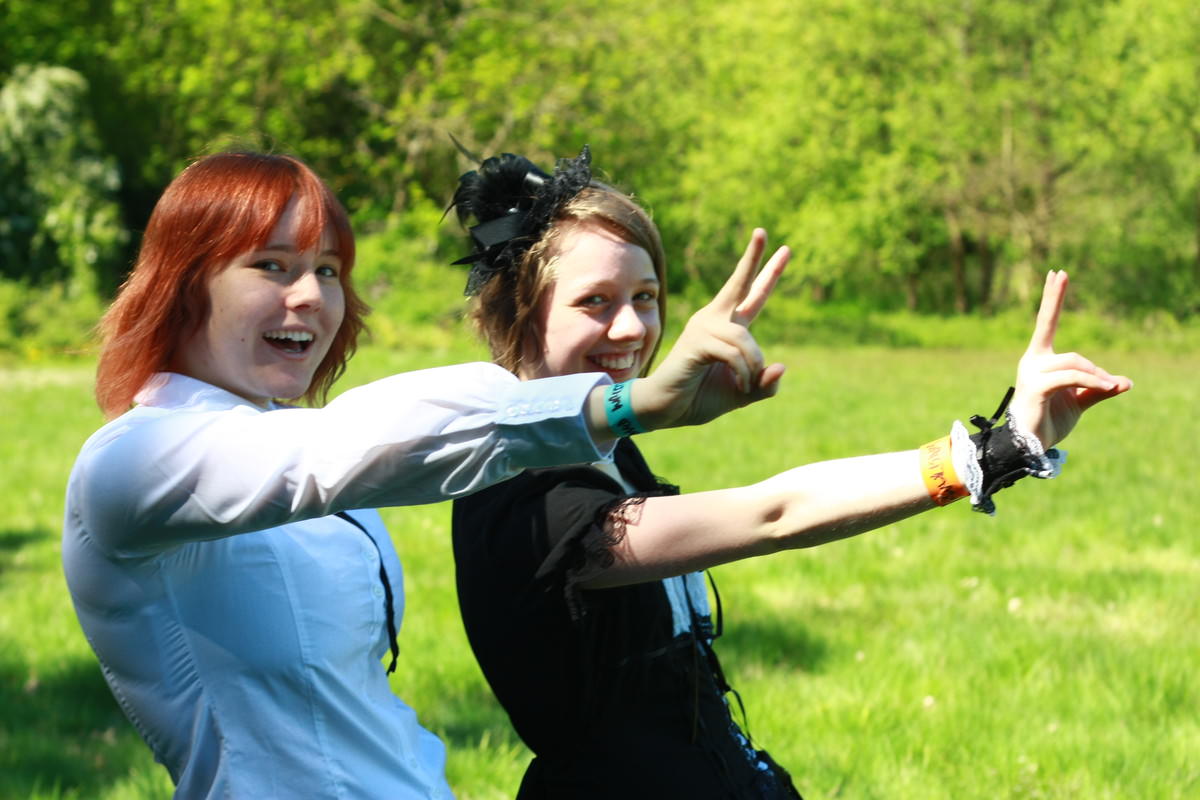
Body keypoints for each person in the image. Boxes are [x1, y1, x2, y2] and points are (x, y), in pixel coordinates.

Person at [61, 150, 792, 799]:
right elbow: (336, 450)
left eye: (327, 270)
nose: (311, 295)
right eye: (271, 266)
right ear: (185, 283)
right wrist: (630, 404)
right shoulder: (129, 463)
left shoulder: (283, 437)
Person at [447, 147, 1132, 798]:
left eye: (646, 296)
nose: (632, 328)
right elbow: (774, 514)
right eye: (595, 301)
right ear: (517, 313)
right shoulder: (522, 499)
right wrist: (993, 452)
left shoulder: (599, 449)